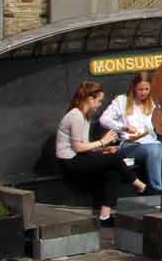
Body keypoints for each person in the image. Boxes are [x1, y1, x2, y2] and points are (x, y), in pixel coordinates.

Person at [54, 79, 141, 218]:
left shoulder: (85, 116)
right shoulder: (76, 116)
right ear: (90, 99)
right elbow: (77, 147)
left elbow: (85, 145)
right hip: (69, 161)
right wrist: (102, 141)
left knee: (112, 170)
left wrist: (103, 149)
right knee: (115, 158)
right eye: (99, 101)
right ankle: (137, 182)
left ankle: (105, 215)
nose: (100, 105)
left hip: (79, 157)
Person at [99, 71, 162, 192]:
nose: (144, 92)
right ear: (134, 87)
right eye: (140, 89)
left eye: (146, 89)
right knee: (153, 149)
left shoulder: (153, 102)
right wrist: (123, 127)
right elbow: (104, 120)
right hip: (130, 145)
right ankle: (157, 192)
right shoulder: (122, 101)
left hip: (153, 143)